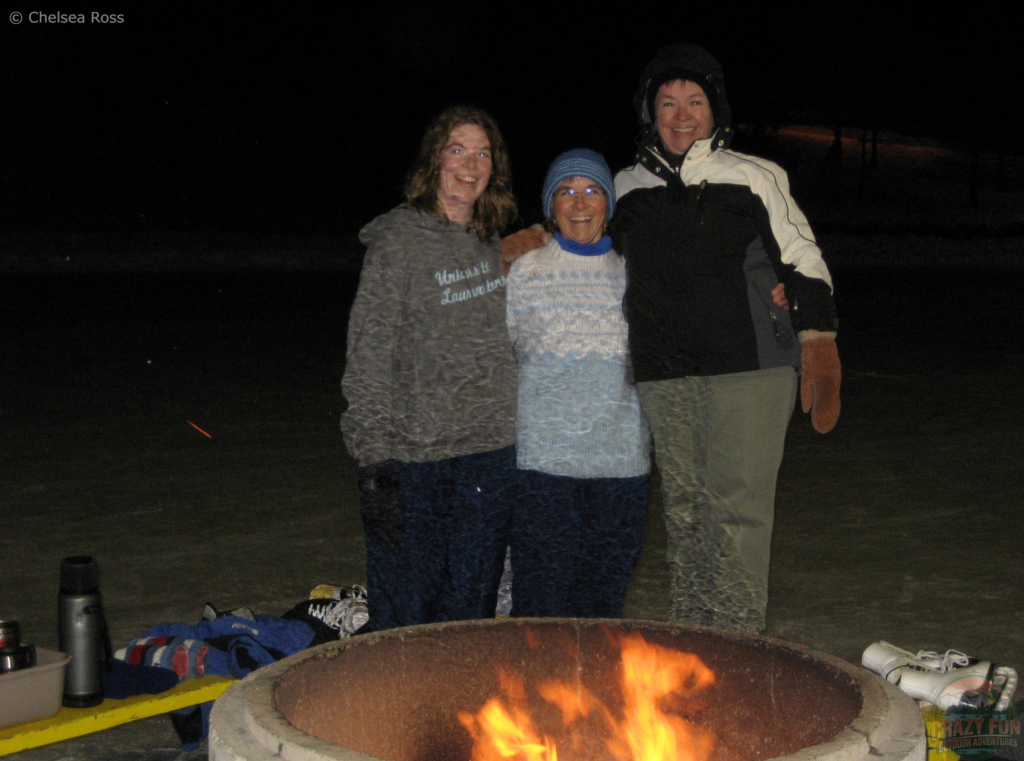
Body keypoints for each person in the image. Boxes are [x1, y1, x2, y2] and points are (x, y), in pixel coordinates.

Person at [609, 43, 841, 633]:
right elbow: (583, 240)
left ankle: (736, 641)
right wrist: (531, 241)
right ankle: (694, 637)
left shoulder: (753, 176)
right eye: (668, 103)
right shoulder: (626, 188)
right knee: (685, 512)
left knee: (737, 511)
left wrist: (818, 340)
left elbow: (803, 257)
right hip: (664, 372)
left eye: (695, 101)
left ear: (716, 110)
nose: (682, 114)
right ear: (649, 112)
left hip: (750, 371)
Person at [341, 105, 519, 632]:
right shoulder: (398, 241)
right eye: (458, 149)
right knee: (407, 612)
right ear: (435, 160)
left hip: (490, 455)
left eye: (483, 152)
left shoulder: (491, 241)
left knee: (469, 607)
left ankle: (457, 713)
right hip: (416, 459)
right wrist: (373, 463)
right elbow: (368, 352)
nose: (471, 163)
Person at [505, 149, 650, 618]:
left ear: (609, 202)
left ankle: (594, 694)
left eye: (592, 190)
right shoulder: (524, 273)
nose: (580, 203)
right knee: (541, 607)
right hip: (543, 469)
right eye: (565, 191)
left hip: (621, 466)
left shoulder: (637, 274)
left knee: (602, 607)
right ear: (551, 206)